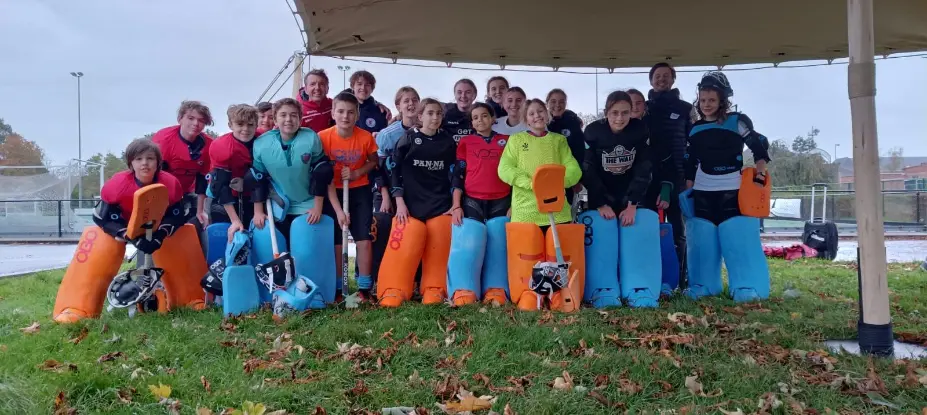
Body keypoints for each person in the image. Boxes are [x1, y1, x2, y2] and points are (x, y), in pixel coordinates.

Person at [684, 71, 771, 302]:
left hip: (734, 190)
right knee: (702, 238)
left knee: (738, 237)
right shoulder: (695, 129)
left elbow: (759, 146)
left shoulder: (737, 121)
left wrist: (760, 174)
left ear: (722, 100)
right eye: (703, 100)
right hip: (703, 190)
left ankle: (747, 285)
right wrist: (687, 191)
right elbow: (690, 163)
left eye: (712, 100)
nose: (706, 105)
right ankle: (703, 284)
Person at [498, 99, 583, 311]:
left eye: (540, 111)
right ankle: (529, 294)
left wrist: (556, 183)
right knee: (528, 256)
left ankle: (557, 294)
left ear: (547, 113)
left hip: (556, 209)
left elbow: (573, 168)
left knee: (557, 255)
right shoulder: (516, 140)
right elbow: (505, 169)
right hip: (526, 210)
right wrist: (531, 183)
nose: (537, 116)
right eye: (532, 113)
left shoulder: (559, 141)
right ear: (526, 119)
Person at [378, 98, 457, 307]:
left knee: (439, 244)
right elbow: (393, 171)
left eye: (438, 113)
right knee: (405, 240)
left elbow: (455, 173)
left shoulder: (448, 141)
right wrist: (399, 201)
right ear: (420, 116)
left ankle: (434, 288)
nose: (435, 117)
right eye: (430, 113)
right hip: (411, 204)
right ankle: (393, 288)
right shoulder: (408, 139)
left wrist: (455, 202)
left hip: (440, 204)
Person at [319, 92, 379, 301]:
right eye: (341, 111)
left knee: (364, 239)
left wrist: (356, 173)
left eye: (351, 112)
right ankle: (338, 288)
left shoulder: (365, 137)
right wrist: (338, 211)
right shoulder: (323, 138)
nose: (345, 116)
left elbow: (374, 161)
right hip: (333, 192)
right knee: (337, 241)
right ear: (333, 113)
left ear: (357, 115)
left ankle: (364, 288)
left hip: (359, 190)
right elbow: (324, 177)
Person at [251, 98, 333, 239]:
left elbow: (321, 172)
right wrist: (258, 211)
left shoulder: (310, 138)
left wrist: (317, 206)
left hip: (308, 205)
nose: (288, 119)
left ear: (300, 119)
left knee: (304, 248)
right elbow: (256, 178)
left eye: (293, 115)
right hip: (278, 205)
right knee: (282, 249)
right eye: (283, 115)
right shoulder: (261, 143)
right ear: (275, 120)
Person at [94, 139, 187, 253]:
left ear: (158, 162)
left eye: (150, 158)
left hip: (158, 225)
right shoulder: (117, 185)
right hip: (124, 225)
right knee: (110, 248)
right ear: (131, 163)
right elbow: (100, 217)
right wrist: (128, 236)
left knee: (175, 243)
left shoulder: (171, 183)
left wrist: (160, 236)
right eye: (138, 159)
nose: (144, 163)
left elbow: (178, 215)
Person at [644, 62, 692, 283]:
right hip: (648, 177)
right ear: (651, 80)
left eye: (666, 76)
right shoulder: (644, 108)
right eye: (657, 76)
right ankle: (651, 276)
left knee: (677, 229)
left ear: (673, 79)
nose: (661, 79)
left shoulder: (685, 108)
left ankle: (679, 278)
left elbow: (693, 140)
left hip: (678, 175)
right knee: (648, 227)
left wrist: (690, 174)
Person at [581, 91, 652, 227]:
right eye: (615, 112)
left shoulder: (639, 130)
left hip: (629, 195)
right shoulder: (593, 131)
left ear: (631, 112)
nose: (620, 118)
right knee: (605, 234)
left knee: (632, 234)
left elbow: (644, 167)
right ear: (606, 112)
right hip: (603, 195)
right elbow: (588, 169)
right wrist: (600, 203)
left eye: (625, 113)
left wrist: (632, 203)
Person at [151, 101, 214, 229]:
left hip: (189, 190)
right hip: (162, 191)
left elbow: (203, 179)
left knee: (201, 221)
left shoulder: (209, 145)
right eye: (191, 118)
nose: (196, 123)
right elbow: (154, 175)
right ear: (180, 119)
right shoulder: (164, 140)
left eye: (201, 120)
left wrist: (201, 211)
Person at [452, 102, 511, 225]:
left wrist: (514, 205)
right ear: (472, 123)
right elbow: (458, 174)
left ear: (492, 119)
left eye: (484, 116)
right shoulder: (465, 142)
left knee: (498, 236)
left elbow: (514, 173)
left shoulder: (507, 140)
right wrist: (456, 206)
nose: (480, 120)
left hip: (502, 199)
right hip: (472, 200)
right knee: (474, 236)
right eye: (475, 117)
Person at [208, 104, 260, 240]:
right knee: (231, 233)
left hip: (254, 196)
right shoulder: (222, 146)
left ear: (256, 125)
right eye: (240, 124)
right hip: (226, 198)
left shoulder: (263, 140)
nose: (245, 129)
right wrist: (235, 220)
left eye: (250, 124)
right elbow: (220, 185)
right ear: (230, 125)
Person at [374, 86, 421, 214]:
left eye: (415, 100)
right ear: (398, 107)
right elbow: (377, 168)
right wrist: (385, 197)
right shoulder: (387, 135)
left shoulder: (427, 130)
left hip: (417, 193)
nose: (411, 104)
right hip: (388, 191)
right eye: (406, 101)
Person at [546, 88, 586, 205]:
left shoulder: (572, 122)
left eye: (561, 101)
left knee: (566, 210)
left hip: (567, 177)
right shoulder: (540, 121)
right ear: (547, 103)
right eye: (553, 101)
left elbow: (580, 153)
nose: (557, 105)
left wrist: (578, 180)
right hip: (545, 177)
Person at [443, 78, 478, 143]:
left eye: (468, 92)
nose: (463, 96)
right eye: (459, 92)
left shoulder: (481, 114)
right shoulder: (445, 114)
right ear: (455, 94)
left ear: (474, 95)